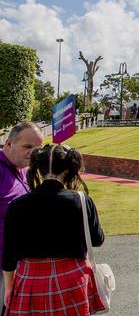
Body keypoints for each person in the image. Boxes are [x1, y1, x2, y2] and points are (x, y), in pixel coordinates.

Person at [3, 145, 105, 315]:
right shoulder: (82, 200)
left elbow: (9, 254)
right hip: (73, 279)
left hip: (30, 280)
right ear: (68, 168)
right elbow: (97, 240)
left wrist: (8, 288)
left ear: (39, 168)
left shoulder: (18, 205)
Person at [0, 123, 44, 300]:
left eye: (37, 148)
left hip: (21, 264)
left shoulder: (26, 170)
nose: (33, 153)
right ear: (8, 144)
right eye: (27, 147)